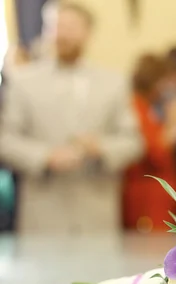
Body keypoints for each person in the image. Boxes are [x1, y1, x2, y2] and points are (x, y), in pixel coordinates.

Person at [0, 2, 141, 234]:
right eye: (55, 26)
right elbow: (6, 140)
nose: (62, 34)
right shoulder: (23, 82)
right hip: (43, 216)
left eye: (70, 27)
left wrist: (101, 147)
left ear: (88, 32)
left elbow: (133, 141)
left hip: (96, 215)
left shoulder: (113, 83)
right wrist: (45, 156)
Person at [123, 54, 176, 233]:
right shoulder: (136, 108)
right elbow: (153, 152)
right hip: (147, 198)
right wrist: (173, 125)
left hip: (158, 196)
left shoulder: (149, 107)